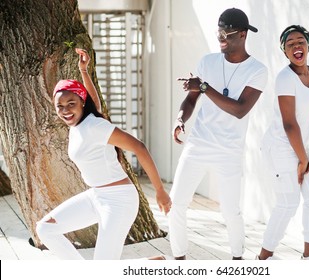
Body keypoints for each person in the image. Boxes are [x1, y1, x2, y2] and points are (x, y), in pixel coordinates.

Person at [36, 48, 171, 260]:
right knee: (45, 229)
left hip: (119, 200)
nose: (65, 110)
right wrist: (84, 71)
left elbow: (139, 147)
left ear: (82, 102)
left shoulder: (95, 126)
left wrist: (160, 191)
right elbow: (95, 103)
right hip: (96, 196)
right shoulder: (80, 123)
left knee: (103, 268)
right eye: (60, 106)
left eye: (71, 103)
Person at [169, 8, 268, 260]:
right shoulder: (208, 62)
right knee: (177, 203)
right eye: (219, 32)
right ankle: (179, 259)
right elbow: (191, 99)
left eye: (228, 33)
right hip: (198, 144)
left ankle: (237, 260)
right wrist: (181, 119)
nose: (221, 38)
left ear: (243, 35)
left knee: (231, 211)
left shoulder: (257, 70)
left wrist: (204, 86)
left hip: (229, 150)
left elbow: (239, 110)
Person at [256, 25, 309, 260]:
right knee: (288, 202)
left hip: (300, 146)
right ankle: (263, 259)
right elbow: (289, 124)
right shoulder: (285, 78)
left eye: (300, 41)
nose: (296, 46)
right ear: (285, 52)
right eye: (290, 44)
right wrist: (303, 159)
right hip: (279, 145)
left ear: (308, 45)